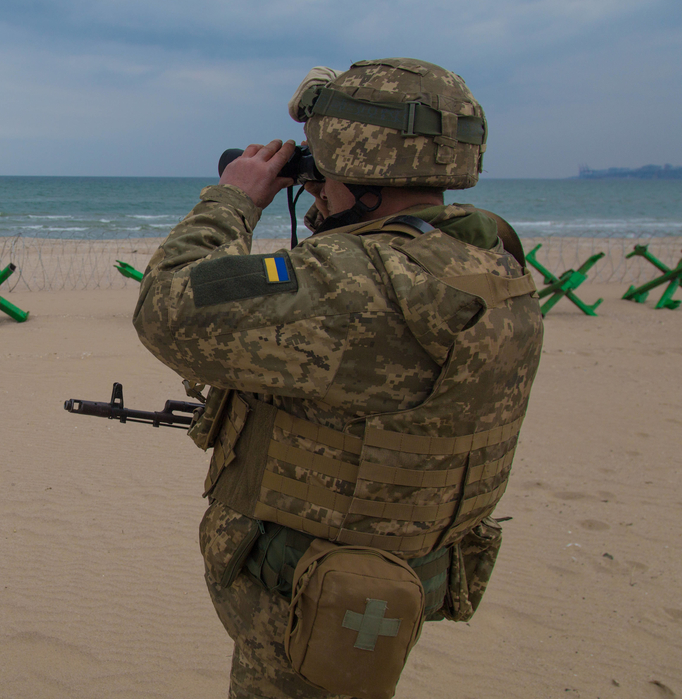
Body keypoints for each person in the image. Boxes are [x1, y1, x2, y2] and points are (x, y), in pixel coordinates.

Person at [133, 58, 545, 699]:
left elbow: (166, 307)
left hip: (306, 598)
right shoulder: (490, 258)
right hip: (386, 581)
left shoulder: (352, 284)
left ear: (354, 159)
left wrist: (234, 198)